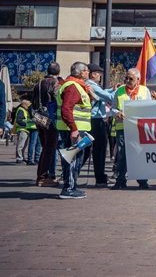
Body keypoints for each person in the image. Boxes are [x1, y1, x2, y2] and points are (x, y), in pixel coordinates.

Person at [56, 62, 93, 199]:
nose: (88, 73)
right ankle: (69, 188)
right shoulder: (72, 86)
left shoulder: (76, 85)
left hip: (74, 129)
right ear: (80, 72)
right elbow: (66, 109)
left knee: (75, 157)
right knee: (73, 158)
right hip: (73, 130)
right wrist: (74, 129)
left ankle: (71, 186)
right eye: (86, 71)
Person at [111, 68, 151, 190]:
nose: (127, 80)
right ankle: (120, 180)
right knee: (122, 154)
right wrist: (117, 113)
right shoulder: (119, 91)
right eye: (126, 78)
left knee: (139, 154)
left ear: (138, 80)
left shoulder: (145, 91)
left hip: (139, 129)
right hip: (122, 128)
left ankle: (142, 181)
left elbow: (150, 108)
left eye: (131, 79)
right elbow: (113, 108)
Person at [84, 63, 115, 188]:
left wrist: (112, 89)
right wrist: (120, 91)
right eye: (98, 73)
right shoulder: (91, 85)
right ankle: (100, 178)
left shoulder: (91, 85)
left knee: (87, 150)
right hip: (96, 120)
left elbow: (102, 93)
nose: (100, 75)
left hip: (92, 120)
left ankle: (69, 174)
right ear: (93, 74)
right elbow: (108, 97)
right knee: (99, 150)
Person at [34, 62, 61, 187]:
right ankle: (43, 176)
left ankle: (42, 175)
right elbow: (57, 98)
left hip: (37, 115)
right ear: (58, 72)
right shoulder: (54, 83)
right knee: (50, 147)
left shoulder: (38, 83)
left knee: (45, 146)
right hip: (49, 116)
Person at [14, 99, 34, 164]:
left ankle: (22, 157)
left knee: (24, 145)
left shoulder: (24, 110)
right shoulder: (21, 110)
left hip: (25, 130)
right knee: (21, 145)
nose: (29, 106)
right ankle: (19, 158)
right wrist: (27, 124)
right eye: (28, 105)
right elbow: (19, 120)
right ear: (24, 104)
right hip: (22, 130)